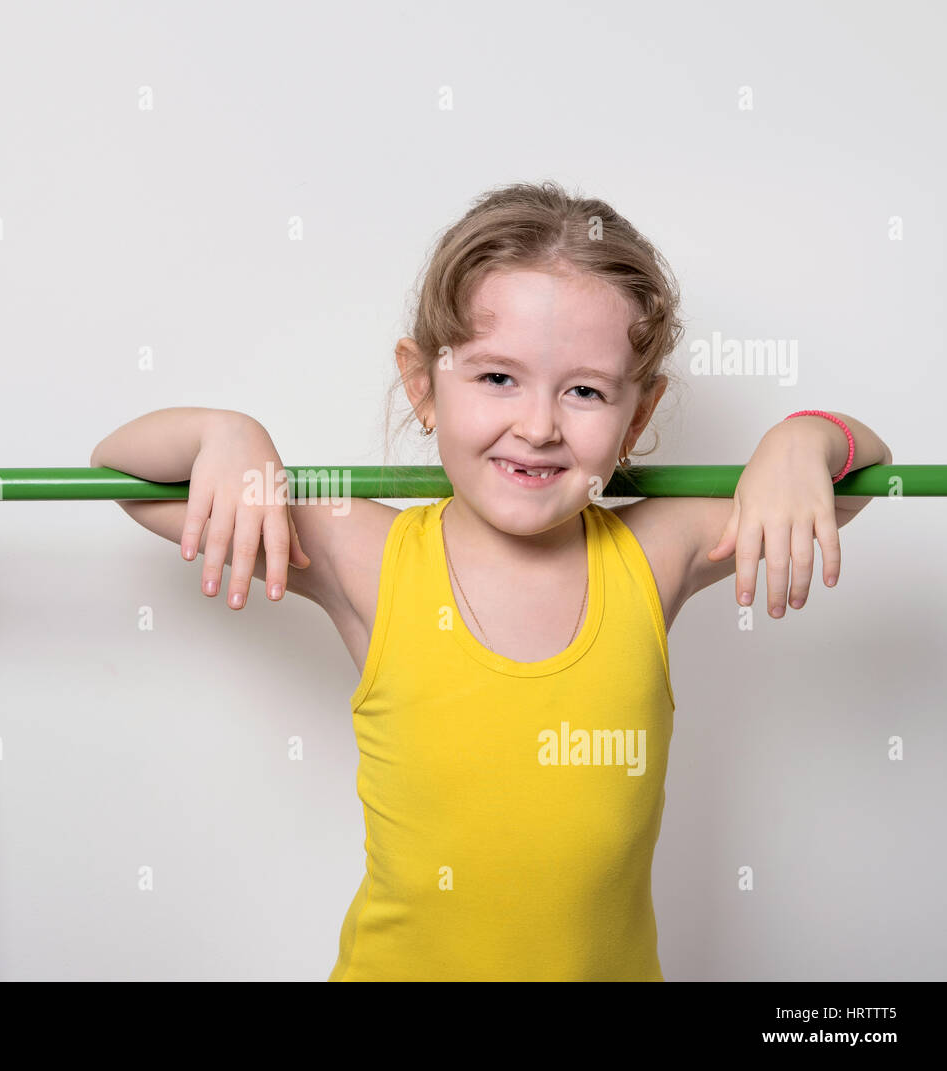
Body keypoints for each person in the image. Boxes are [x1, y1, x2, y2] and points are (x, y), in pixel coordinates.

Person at [89, 180, 893, 981]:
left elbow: (865, 470)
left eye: (584, 390)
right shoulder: (368, 552)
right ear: (422, 384)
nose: (539, 425)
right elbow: (122, 472)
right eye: (497, 378)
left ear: (637, 417)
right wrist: (224, 436)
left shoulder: (653, 552)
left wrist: (802, 442)